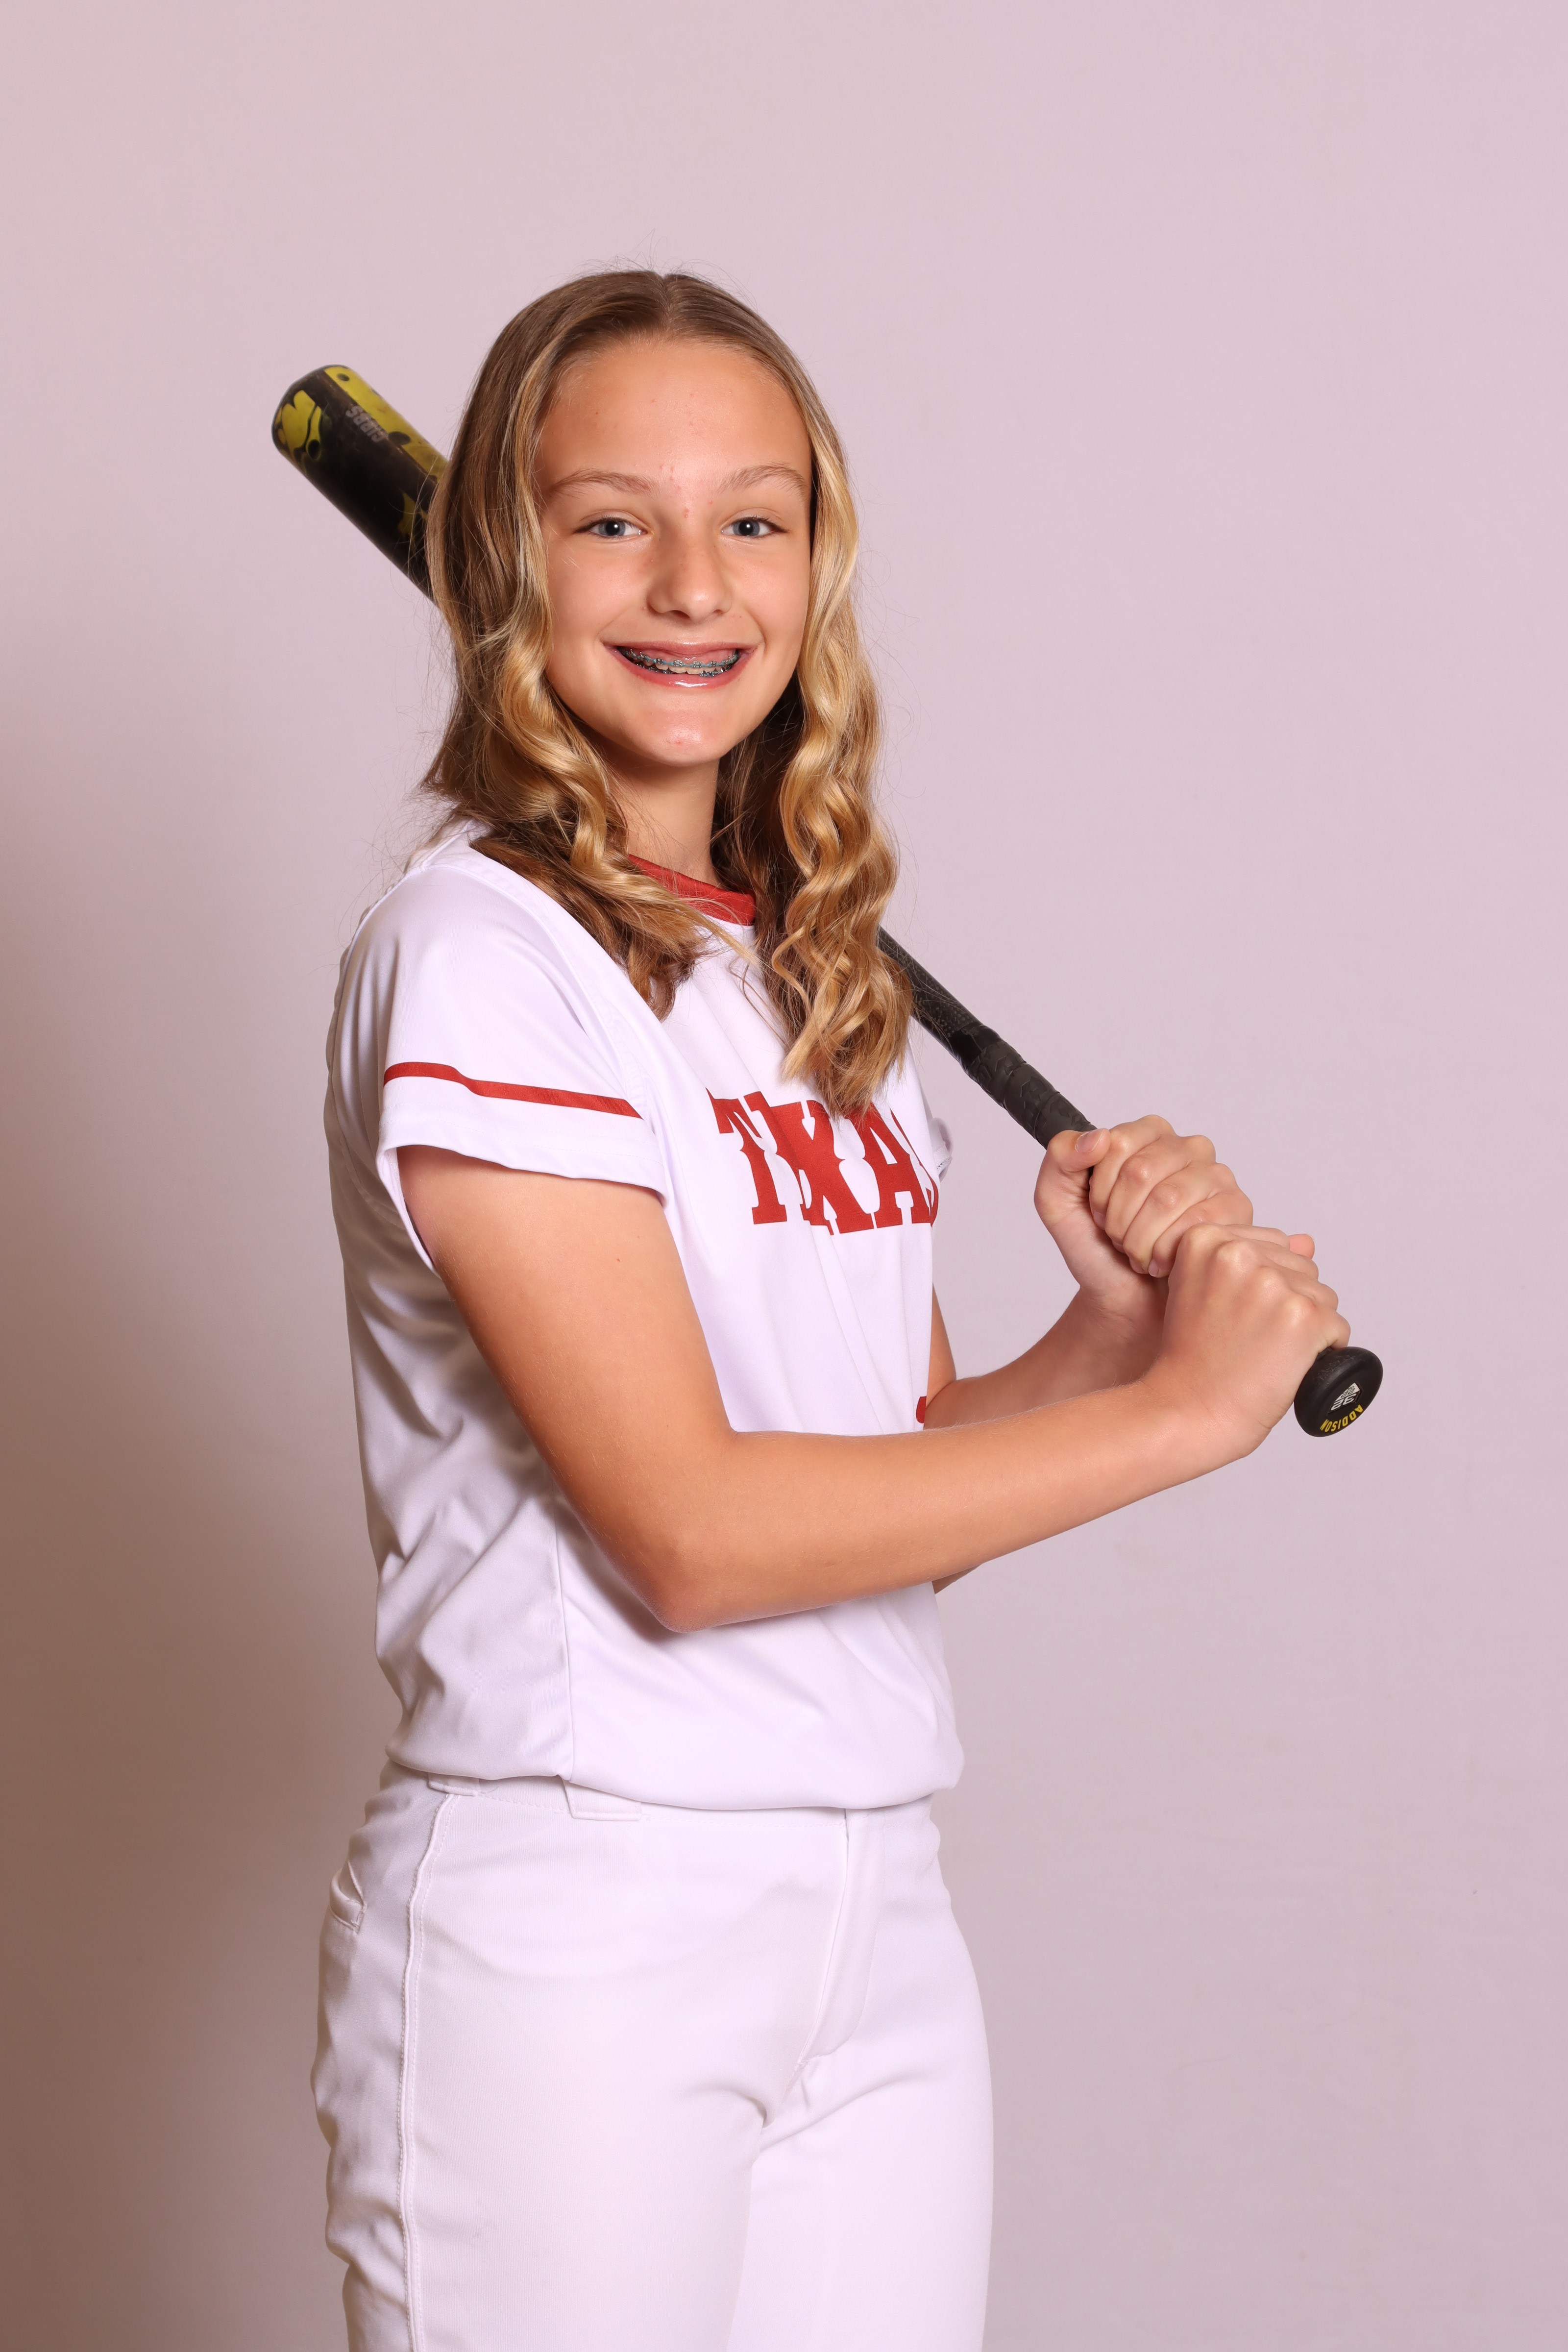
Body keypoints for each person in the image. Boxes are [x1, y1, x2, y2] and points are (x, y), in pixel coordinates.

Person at [312, 270, 1348, 2352]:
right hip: (586, 1920)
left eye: (754, 520)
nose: (694, 584)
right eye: (613, 520)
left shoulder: (804, 977)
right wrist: (1180, 1422)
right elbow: (696, 1534)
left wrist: (1104, 1349)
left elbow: (878, 1487)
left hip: (873, 1900)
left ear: (814, 561)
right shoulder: (482, 957)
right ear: (504, 558)